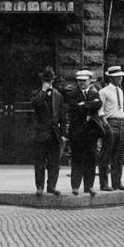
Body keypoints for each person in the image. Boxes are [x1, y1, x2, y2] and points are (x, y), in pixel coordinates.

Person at [63, 69, 103, 196]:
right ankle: (75, 186)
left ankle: (89, 186)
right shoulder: (73, 94)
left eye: (84, 81)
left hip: (91, 133)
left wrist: (84, 104)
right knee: (77, 159)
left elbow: (99, 104)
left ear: (89, 81)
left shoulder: (94, 93)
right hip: (77, 133)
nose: (82, 83)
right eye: (79, 81)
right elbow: (74, 108)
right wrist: (89, 105)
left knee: (91, 160)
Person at [29, 67, 64, 196]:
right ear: (42, 81)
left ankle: (52, 186)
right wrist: (43, 91)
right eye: (45, 80)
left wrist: (63, 134)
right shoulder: (36, 94)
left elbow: (61, 115)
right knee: (39, 162)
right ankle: (39, 186)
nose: (48, 83)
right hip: (41, 133)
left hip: (54, 134)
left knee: (54, 162)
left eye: (49, 80)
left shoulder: (58, 95)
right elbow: (36, 104)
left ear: (53, 81)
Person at [97, 65, 124, 192]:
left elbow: (121, 109)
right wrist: (105, 124)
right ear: (111, 77)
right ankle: (104, 183)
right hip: (110, 122)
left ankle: (117, 182)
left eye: (121, 76)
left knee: (119, 155)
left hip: (121, 122)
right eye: (117, 77)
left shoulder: (120, 91)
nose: (120, 79)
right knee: (106, 154)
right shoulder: (103, 91)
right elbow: (100, 110)